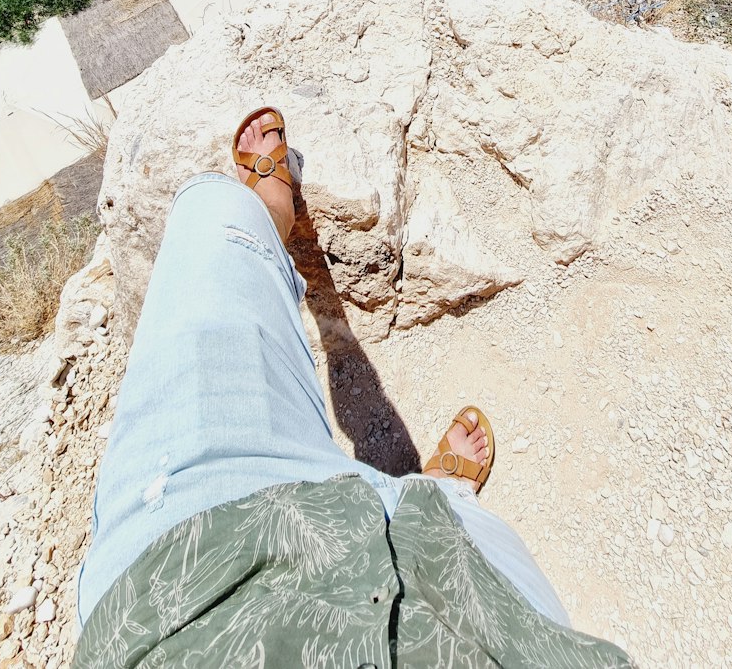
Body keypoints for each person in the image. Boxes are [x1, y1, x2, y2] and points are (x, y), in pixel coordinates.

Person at [73, 111, 630, 666]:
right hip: (469, 630)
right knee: (477, 542)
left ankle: (270, 217)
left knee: (209, 216)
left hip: (178, 580)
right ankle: (440, 497)